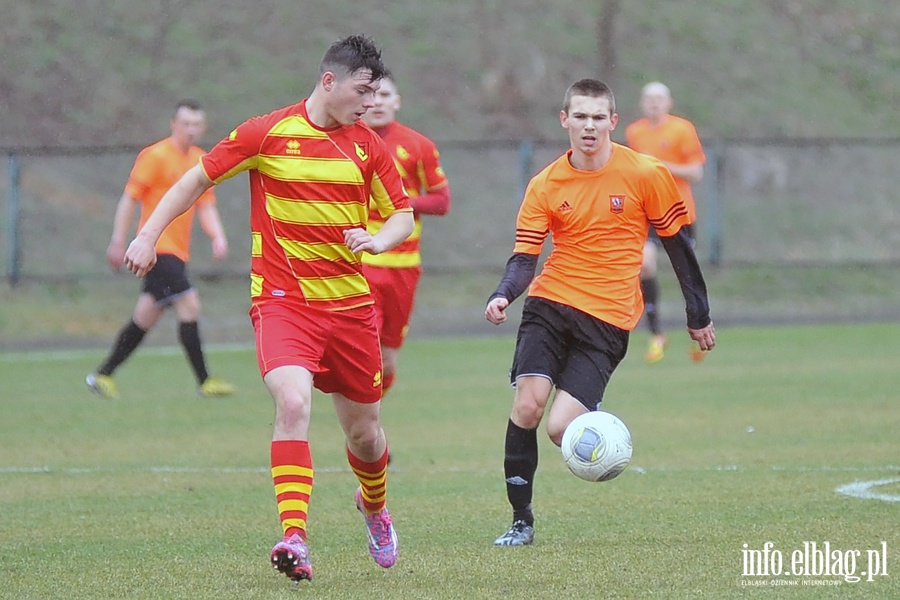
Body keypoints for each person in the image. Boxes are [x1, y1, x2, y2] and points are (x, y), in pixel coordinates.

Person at [123, 35, 413, 583]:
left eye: (376, 93)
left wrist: (378, 238)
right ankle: (295, 538)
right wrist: (148, 234)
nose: (371, 102)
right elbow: (195, 179)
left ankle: (374, 508)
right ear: (330, 81)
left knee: (365, 435)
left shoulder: (368, 146)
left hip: (350, 308)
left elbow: (402, 214)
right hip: (284, 303)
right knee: (292, 400)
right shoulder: (268, 132)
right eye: (363, 90)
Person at [485, 78, 716, 546]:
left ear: (612, 122)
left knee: (560, 430)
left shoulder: (647, 173)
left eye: (598, 117)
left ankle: (604, 432)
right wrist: (504, 293)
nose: (589, 126)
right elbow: (525, 256)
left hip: (609, 319)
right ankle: (521, 521)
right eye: (580, 116)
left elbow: (679, 248)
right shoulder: (545, 184)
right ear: (564, 120)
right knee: (528, 407)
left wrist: (698, 313)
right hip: (550, 304)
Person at [85, 100, 234, 399]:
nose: (191, 130)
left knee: (145, 317)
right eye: (186, 123)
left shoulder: (201, 160)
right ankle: (205, 380)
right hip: (156, 248)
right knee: (189, 304)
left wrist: (217, 236)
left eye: (197, 125)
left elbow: (206, 206)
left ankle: (102, 375)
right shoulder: (155, 156)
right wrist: (118, 240)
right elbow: (129, 199)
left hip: (178, 250)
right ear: (173, 124)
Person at [361, 73, 451, 397]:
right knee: (364, 352)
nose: (378, 101)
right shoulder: (344, 142)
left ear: (396, 101)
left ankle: (369, 422)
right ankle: (362, 424)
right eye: (371, 94)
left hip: (404, 266)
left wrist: (400, 202)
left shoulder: (418, 145)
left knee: (386, 360)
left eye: (385, 94)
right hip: (362, 263)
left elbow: (442, 201)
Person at [625, 81, 707, 363]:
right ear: (642, 103)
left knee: (686, 274)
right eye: (649, 99)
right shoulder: (635, 132)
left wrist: (660, 165)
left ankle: (699, 329)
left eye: (659, 99)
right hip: (649, 213)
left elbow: (696, 173)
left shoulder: (681, 129)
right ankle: (656, 334)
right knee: (644, 265)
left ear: (668, 102)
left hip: (680, 213)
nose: (654, 103)